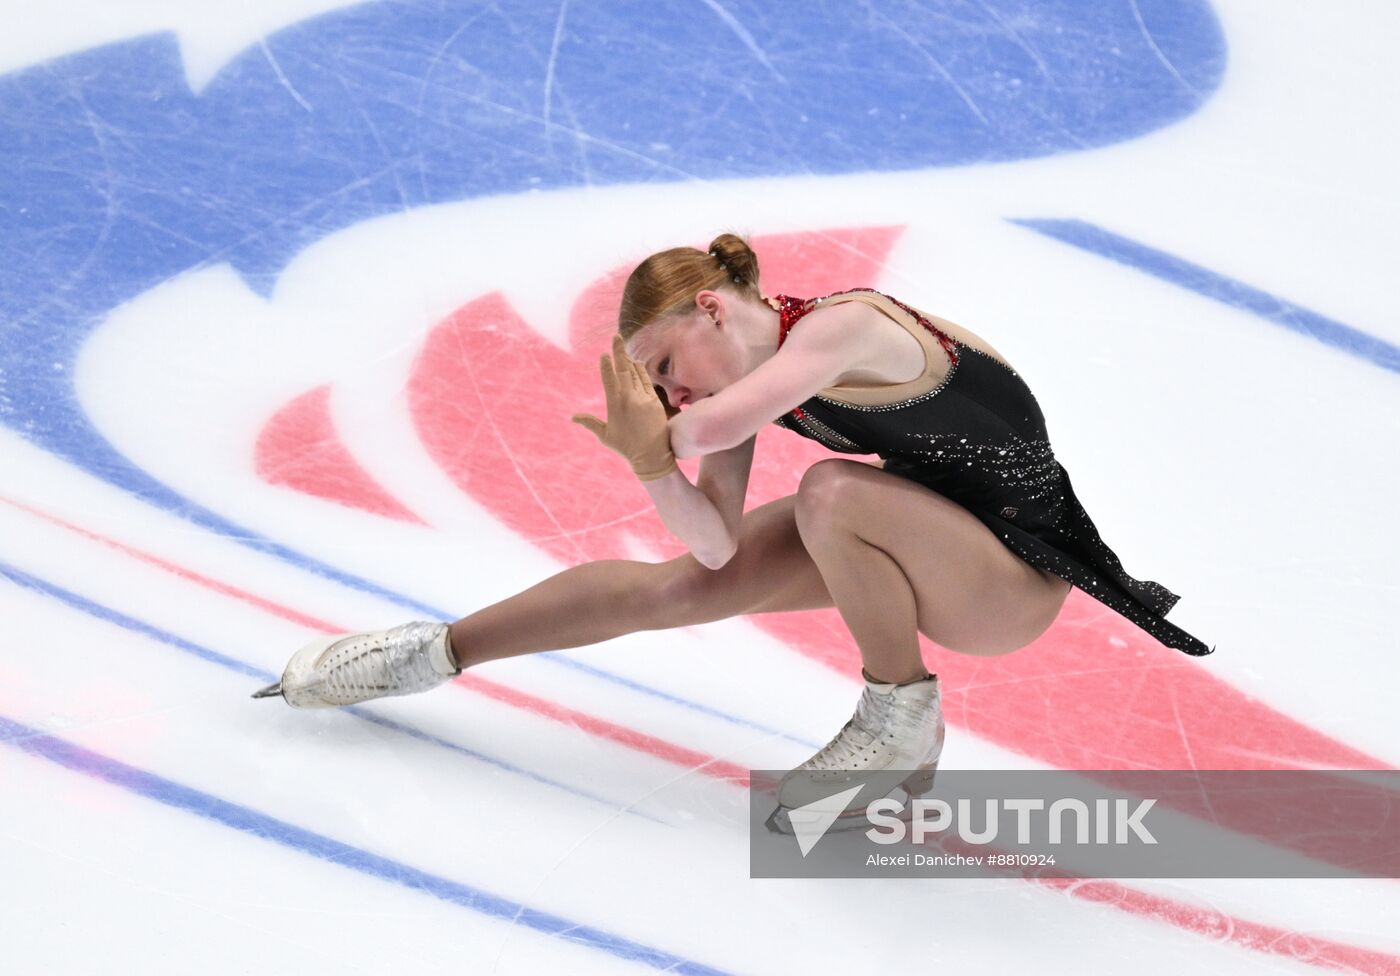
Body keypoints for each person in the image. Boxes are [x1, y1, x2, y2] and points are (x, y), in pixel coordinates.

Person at [254, 233, 1213, 831]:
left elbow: (707, 427)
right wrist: (655, 460)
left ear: (711, 306)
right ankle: (427, 653)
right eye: (658, 384)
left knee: (834, 492)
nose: (671, 392)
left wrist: (656, 439)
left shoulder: (845, 328)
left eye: (667, 363)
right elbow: (712, 544)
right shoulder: (743, 393)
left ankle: (899, 718)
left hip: (1006, 582)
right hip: (923, 533)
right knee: (678, 585)